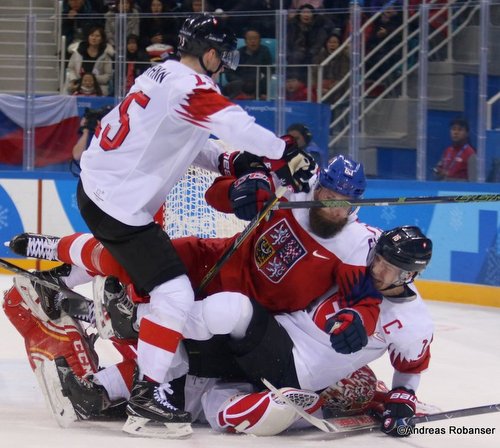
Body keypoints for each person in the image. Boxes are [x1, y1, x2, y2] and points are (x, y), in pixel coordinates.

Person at [47, 12, 318, 436]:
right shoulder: (191, 87)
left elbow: (185, 142)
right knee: (173, 293)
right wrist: (285, 153)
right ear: (209, 54)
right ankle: (147, 395)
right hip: (119, 206)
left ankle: (78, 281)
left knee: (161, 285)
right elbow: (236, 125)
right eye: (223, 56)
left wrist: (233, 160)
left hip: (100, 191)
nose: (226, 64)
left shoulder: (161, 76)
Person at [4, 225, 433, 439]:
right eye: (378, 259)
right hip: (265, 339)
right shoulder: (357, 262)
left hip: (294, 367)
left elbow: (409, 368)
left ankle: (134, 320)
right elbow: (348, 231)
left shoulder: (414, 321)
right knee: (188, 368)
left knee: (230, 310)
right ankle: (95, 388)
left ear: (412, 274)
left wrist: (402, 401)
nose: (379, 269)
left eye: (392, 268)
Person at [223, 28, 273, 100]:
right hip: (240, 84)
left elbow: (269, 71)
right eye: (250, 39)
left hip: (257, 84)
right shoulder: (237, 53)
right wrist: (242, 82)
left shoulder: (264, 51)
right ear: (245, 41)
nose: (253, 41)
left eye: (255, 38)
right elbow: (229, 73)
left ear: (260, 40)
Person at [65, 26, 114, 95]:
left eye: (97, 36)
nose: (94, 38)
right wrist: (74, 80)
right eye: (92, 35)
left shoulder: (105, 55)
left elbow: (108, 75)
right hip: (78, 84)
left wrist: (91, 80)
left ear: (102, 39)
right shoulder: (78, 52)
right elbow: (71, 69)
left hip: (98, 86)